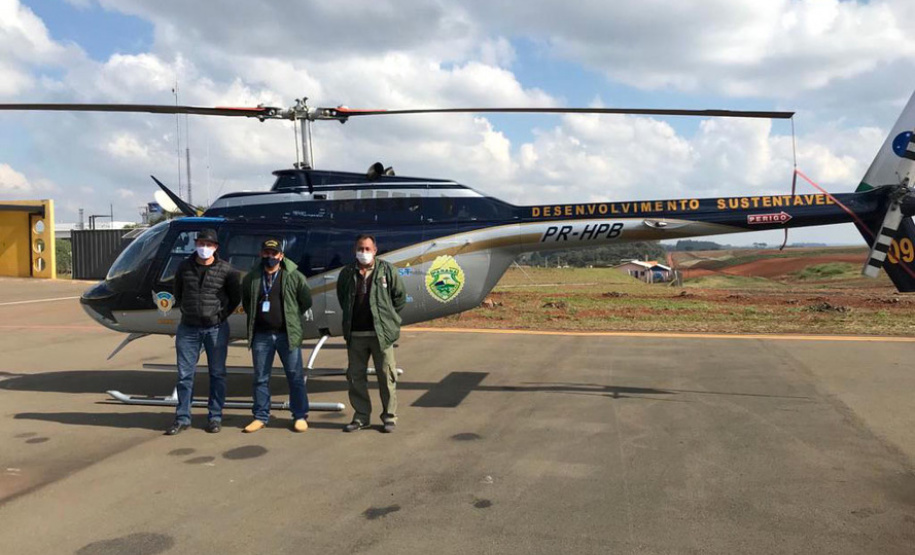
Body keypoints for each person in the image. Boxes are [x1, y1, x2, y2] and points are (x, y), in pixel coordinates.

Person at [166, 228, 241, 435]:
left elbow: (235, 298)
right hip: (188, 328)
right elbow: (178, 293)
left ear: (215, 247)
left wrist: (220, 316)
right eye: (200, 244)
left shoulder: (227, 270)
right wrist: (188, 310)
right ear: (195, 245)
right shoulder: (184, 267)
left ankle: (215, 416)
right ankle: (182, 417)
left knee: (217, 374)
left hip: (215, 328)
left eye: (208, 245)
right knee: (184, 375)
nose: (204, 248)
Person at [241, 238, 313, 433]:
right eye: (266, 253)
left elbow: (305, 300)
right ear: (261, 254)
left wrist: (290, 317)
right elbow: (247, 302)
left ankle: (299, 415)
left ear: (281, 255)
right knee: (261, 378)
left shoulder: (294, 276)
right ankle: (260, 416)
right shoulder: (252, 279)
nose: (270, 257)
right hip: (262, 336)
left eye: (274, 253)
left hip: (287, 335)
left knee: (295, 377)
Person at [336, 234, 406, 433]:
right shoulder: (347, 273)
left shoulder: (387, 271)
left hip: (380, 335)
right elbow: (343, 299)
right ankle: (361, 417)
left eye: (367, 249)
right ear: (355, 250)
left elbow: (399, 298)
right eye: (360, 249)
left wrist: (388, 320)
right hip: (356, 335)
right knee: (356, 378)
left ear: (375, 250)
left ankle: (389, 417)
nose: (363, 252)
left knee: (386, 376)